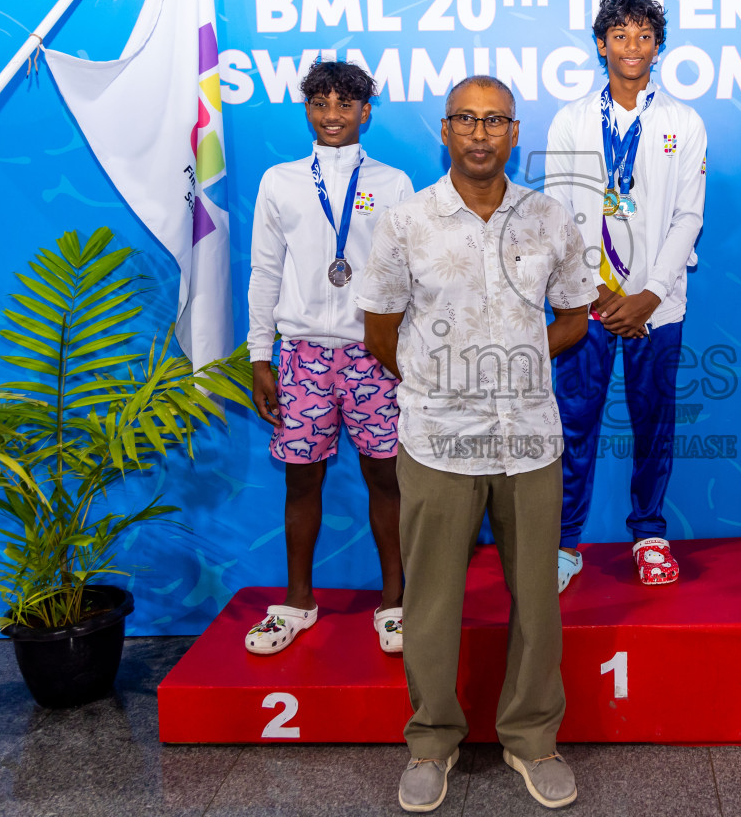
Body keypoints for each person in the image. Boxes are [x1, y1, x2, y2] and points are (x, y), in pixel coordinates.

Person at [357, 76, 593, 812]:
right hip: (436, 440)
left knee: (537, 600)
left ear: (514, 133)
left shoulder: (552, 218)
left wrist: (517, 364)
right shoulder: (405, 223)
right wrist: (443, 382)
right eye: (467, 119)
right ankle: (432, 741)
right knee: (430, 602)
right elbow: (380, 331)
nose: (481, 133)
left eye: (495, 120)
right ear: (446, 130)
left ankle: (532, 738)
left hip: (529, 440)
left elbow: (578, 317)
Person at [245, 60, 414, 656]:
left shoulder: (393, 183)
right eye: (320, 103)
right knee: (301, 479)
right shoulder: (280, 181)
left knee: (386, 477)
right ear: (307, 110)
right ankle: (297, 601)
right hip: (301, 355)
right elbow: (265, 270)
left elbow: (403, 274)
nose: (333, 115)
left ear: (366, 112)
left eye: (346, 104)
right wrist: (260, 356)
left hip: (374, 357)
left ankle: (394, 600)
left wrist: (401, 353)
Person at [544, 0, 706, 591]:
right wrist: (591, 295)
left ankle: (649, 534)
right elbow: (558, 211)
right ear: (601, 45)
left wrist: (650, 295)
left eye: (644, 37)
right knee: (574, 419)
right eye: (620, 37)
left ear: (658, 47)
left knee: (654, 420)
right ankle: (564, 542)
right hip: (586, 304)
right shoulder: (572, 119)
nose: (632, 48)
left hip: (656, 307)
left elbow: (688, 215)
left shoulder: (682, 122)